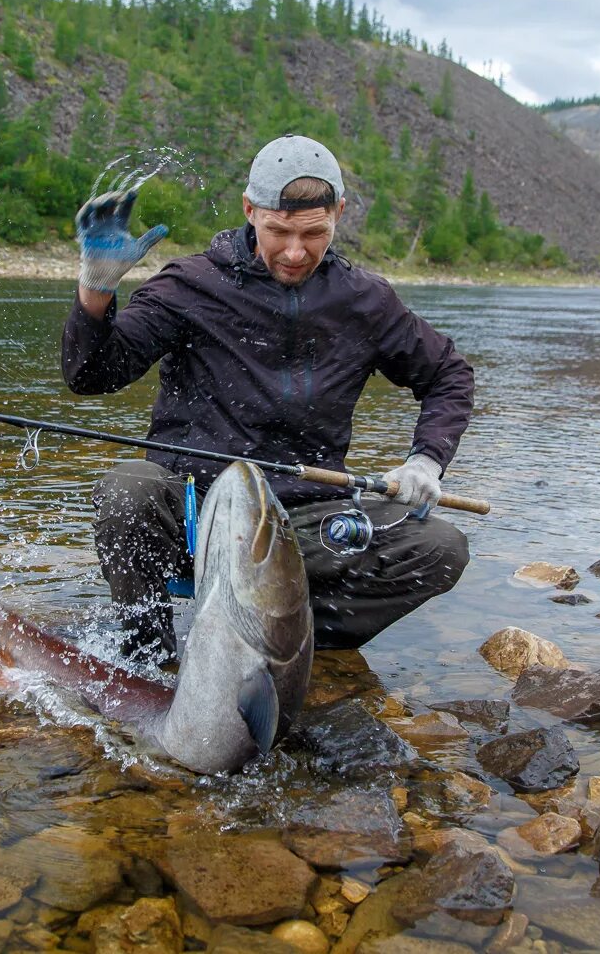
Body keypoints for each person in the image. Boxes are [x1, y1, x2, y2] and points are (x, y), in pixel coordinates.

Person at [62, 134, 473, 662]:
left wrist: (426, 461)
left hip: (303, 519)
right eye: (279, 231)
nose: (295, 251)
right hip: (196, 514)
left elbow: (447, 375)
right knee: (128, 490)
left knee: (438, 548)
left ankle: (284, 648)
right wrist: (96, 288)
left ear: (339, 214)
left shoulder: (365, 301)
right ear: (250, 210)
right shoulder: (192, 284)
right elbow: (90, 374)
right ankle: (148, 661)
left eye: (314, 233)